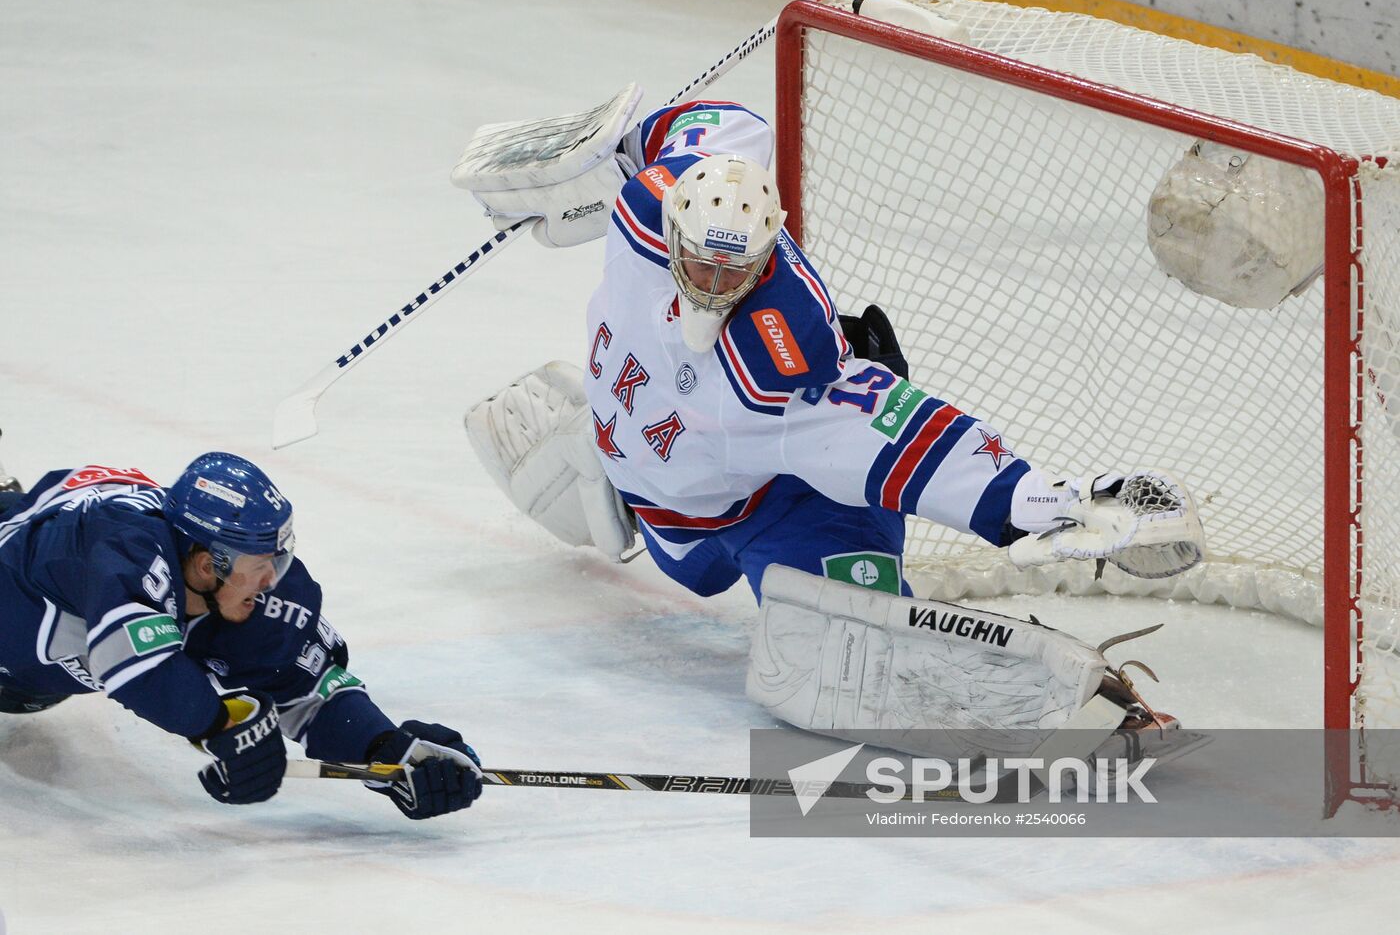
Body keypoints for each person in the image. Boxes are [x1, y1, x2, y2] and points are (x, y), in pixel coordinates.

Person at [458, 93, 1207, 755]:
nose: (714, 285)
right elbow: (725, 124)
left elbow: (908, 435)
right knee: (670, 518)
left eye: (736, 271)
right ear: (673, 222)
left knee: (858, 649)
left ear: (765, 251)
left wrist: (1036, 501)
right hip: (678, 520)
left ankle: (1078, 709)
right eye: (700, 262)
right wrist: (612, 148)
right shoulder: (643, 207)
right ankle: (602, 465)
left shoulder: (781, 370)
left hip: (788, 509)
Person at [0, 447, 483, 820]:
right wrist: (221, 723)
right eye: (262, 566)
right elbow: (137, 669)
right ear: (210, 564)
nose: (274, 580)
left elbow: (309, 690)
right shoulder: (121, 550)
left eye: (278, 560)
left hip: (30, 678)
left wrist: (387, 750)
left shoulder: (240, 588)